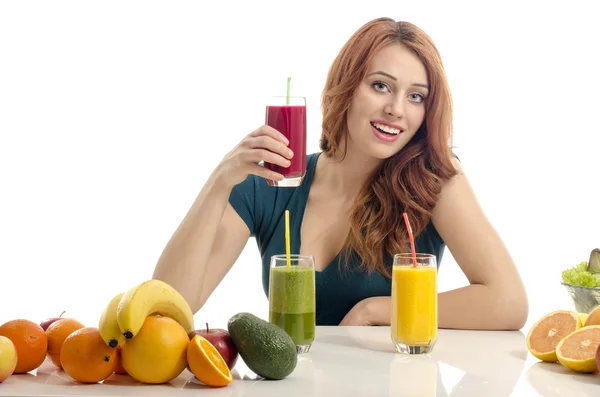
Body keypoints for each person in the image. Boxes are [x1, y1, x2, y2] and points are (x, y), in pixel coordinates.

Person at [152, 17, 529, 330]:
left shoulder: (433, 180)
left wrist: (377, 310)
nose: (397, 109)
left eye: (416, 96)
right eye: (381, 86)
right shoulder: (270, 186)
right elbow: (171, 303)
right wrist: (220, 181)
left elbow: (508, 302)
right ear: (347, 87)